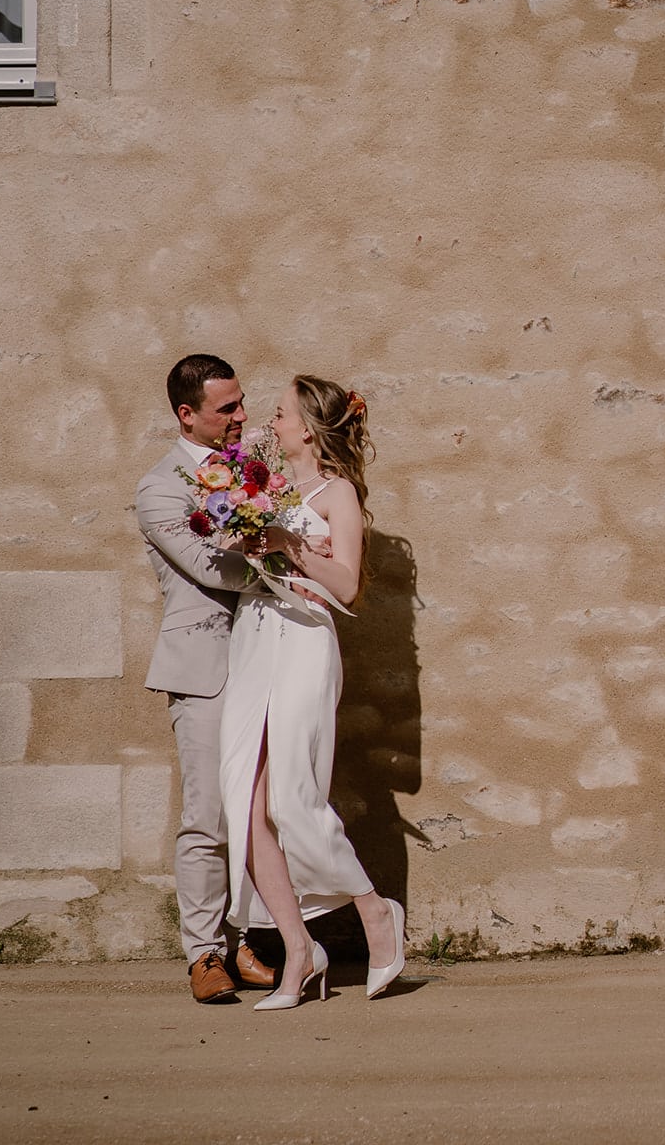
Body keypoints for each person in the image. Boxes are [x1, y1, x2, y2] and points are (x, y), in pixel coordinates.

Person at [218, 375, 405, 1011]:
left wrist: (289, 545)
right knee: (243, 801)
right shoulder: (263, 487)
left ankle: (374, 910)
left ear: (309, 427)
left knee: (292, 797)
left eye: (280, 414)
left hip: (302, 638)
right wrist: (245, 535)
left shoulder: (337, 492)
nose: (271, 423)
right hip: (254, 636)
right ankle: (299, 949)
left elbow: (347, 584)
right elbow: (239, 553)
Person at [136, 354, 276, 1004]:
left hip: (263, 658)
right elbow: (210, 568)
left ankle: (244, 939)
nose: (242, 415)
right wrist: (290, 562)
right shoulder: (160, 487)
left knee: (259, 811)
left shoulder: (253, 470)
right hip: (204, 668)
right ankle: (204, 952)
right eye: (228, 407)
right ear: (186, 414)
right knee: (208, 815)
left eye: (242, 401)